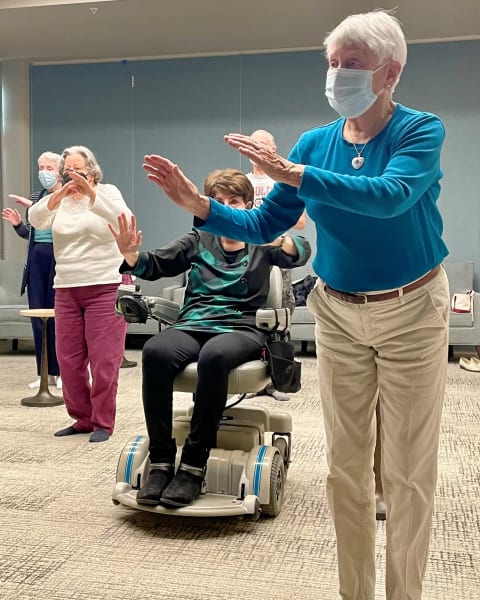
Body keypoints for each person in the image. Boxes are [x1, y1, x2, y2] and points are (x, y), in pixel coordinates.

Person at [140, 10, 450, 599]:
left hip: (411, 309)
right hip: (339, 313)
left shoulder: (419, 130)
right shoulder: (315, 143)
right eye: (331, 63)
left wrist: (295, 172)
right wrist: (201, 207)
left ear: (391, 72)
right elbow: (263, 222)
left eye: (351, 64)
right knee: (346, 470)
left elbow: (388, 198)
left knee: (408, 473)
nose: (337, 75)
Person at [109, 168, 311, 507]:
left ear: (249, 205)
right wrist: (130, 255)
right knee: (156, 351)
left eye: (234, 201)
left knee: (214, 356)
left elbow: (301, 251)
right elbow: (156, 263)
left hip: (243, 328)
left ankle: (192, 464)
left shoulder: (262, 242)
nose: (226, 208)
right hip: (193, 324)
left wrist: (279, 237)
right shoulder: (198, 240)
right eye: (217, 202)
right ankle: (160, 461)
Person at [28, 145, 132, 443]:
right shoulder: (59, 200)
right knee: (69, 361)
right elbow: (35, 219)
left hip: (105, 286)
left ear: (92, 171)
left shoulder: (108, 192)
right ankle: (81, 418)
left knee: (103, 360)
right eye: (68, 172)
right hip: (66, 289)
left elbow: (122, 217)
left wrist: (90, 193)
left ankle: (102, 422)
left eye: (80, 171)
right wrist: (59, 194)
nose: (74, 176)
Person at [246, 129, 307, 400]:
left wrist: (268, 221)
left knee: (281, 313)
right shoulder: (242, 183)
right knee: (250, 314)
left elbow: (301, 222)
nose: (259, 150)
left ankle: (278, 379)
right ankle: (251, 377)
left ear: (274, 150)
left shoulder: (284, 182)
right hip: (250, 258)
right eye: (254, 146)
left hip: (277, 257)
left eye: (264, 146)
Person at [1, 151, 63, 389]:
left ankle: (62, 373)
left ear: (60, 172)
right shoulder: (36, 196)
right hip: (37, 260)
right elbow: (31, 234)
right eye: (41, 167)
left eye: (49, 168)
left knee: (60, 319)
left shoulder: (67, 196)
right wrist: (18, 226)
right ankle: (45, 373)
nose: (44, 172)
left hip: (60, 262)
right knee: (38, 317)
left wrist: (37, 207)